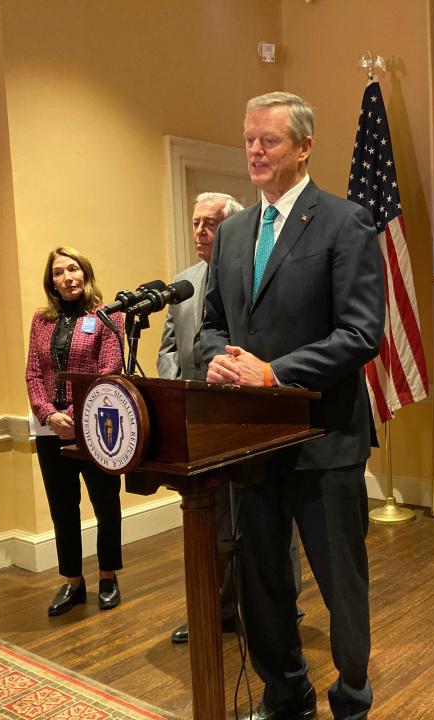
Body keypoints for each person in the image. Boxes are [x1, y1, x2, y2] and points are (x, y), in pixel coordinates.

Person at [202, 92, 385, 720]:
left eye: (269, 140)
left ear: (304, 147)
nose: (254, 150)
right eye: (249, 139)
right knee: (263, 585)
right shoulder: (230, 233)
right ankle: (287, 694)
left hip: (322, 440)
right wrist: (213, 358)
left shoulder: (344, 222)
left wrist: (273, 372)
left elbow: (361, 334)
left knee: (340, 586)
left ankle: (351, 699)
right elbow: (212, 323)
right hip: (248, 443)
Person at [157, 192, 305, 645]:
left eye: (210, 224)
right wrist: (176, 390)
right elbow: (168, 348)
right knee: (211, 519)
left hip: (244, 416)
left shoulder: (253, 277)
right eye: (196, 223)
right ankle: (216, 606)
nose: (200, 232)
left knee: (266, 515)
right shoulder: (181, 283)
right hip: (196, 419)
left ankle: (282, 606)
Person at [25, 247, 126, 616]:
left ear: (85, 273)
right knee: (62, 509)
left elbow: (108, 370)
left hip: (96, 428)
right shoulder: (41, 321)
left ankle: (108, 576)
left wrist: (73, 412)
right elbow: (34, 372)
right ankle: (72, 582)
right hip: (51, 431)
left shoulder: (107, 318)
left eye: (73, 269)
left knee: (105, 503)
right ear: (50, 280)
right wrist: (49, 415)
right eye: (57, 272)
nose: (66, 277)